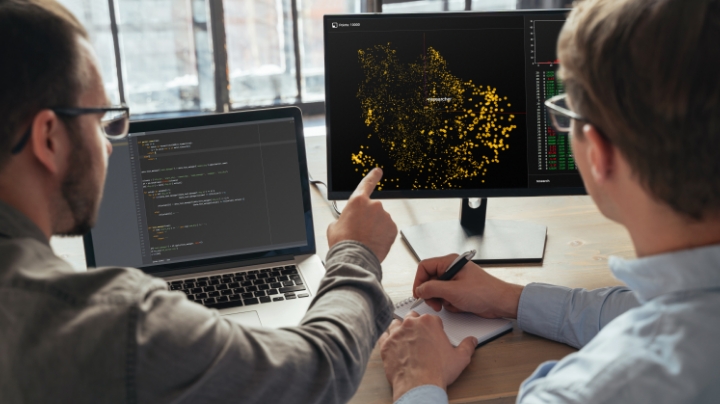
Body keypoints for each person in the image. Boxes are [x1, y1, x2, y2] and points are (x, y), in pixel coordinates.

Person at [0, 0, 399, 402]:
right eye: (100, 120)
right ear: (48, 138)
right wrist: (356, 250)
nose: (108, 147)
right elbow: (318, 373)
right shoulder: (114, 322)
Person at [379, 0, 720, 402]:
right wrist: (510, 298)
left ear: (598, 153)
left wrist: (416, 383)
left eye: (567, 114)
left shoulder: (586, 392)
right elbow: (656, 310)